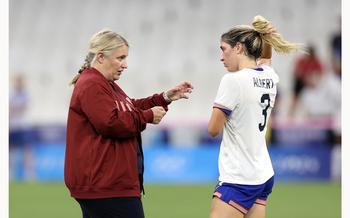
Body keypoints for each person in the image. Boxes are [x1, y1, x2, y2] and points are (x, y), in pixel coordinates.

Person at [64, 29, 193, 218]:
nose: (125, 65)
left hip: (107, 184)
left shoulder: (102, 83)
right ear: (100, 57)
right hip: (106, 185)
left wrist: (164, 98)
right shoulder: (93, 83)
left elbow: (129, 107)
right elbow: (110, 122)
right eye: (120, 58)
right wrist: (147, 116)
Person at [208, 15, 299, 218]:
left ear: (239, 47)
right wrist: (266, 36)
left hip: (239, 177)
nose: (221, 57)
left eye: (224, 49)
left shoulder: (232, 80)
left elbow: (213, 130)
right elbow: (266, 59)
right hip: (263, 174)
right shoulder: (268, 76)